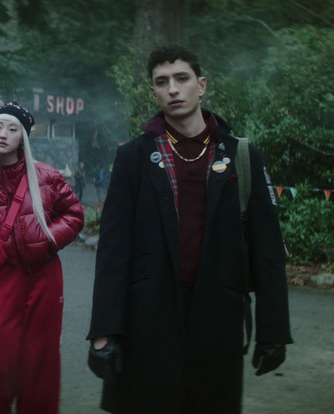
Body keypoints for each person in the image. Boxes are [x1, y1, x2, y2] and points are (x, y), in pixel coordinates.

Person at [87, 45, 292, 413]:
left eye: (182, 79)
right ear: (153, 93)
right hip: (148, 318)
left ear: (202, 85)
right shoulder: (134, 156)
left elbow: (268, 249)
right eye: (162, 82)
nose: (173, 89)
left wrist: (273, 331)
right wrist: (104, 332)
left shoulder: (241, 155)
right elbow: (113, 249)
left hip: (219, 317)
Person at [0, 101, 84, 414]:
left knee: (41, 352)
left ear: (23, 136)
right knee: (0, 345)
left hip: (45, 274)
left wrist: (48, 239)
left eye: (12, 129)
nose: (3, 134)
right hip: (4, 274)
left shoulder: (47, 177)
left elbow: (75, 214)